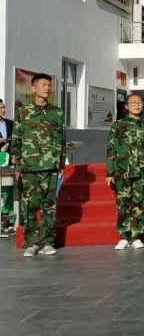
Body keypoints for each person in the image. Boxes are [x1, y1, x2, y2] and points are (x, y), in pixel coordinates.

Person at [10, 73, 64, 257]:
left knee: (50, 206)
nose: (47, 88)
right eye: (43, 85)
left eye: (49, 85)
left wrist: (61, 164)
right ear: (33, 88)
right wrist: (18, 166)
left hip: (51, 166)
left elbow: (61, 140)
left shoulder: (56, 112)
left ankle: (47, 242)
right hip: (29, 167)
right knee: (30, 206)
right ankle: (31, 243)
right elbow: (16, 140)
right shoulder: (23, 112)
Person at [106, 94, 144, 250]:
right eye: (133, 103)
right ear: (126, 106)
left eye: (139, 103)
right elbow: (111, 149)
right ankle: (123, 236)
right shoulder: (117, 126)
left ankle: (136, 235)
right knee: (123, 204)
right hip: (121, 171)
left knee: (138, 204)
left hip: (142, 171)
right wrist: (109, 173)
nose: (137, 105)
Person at [0, 101, 14, 232]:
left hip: (8, 164)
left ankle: (9, 220)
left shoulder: (10, 123)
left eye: (4, 107)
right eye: (0, 108)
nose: (3, 110)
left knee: (8, 191)